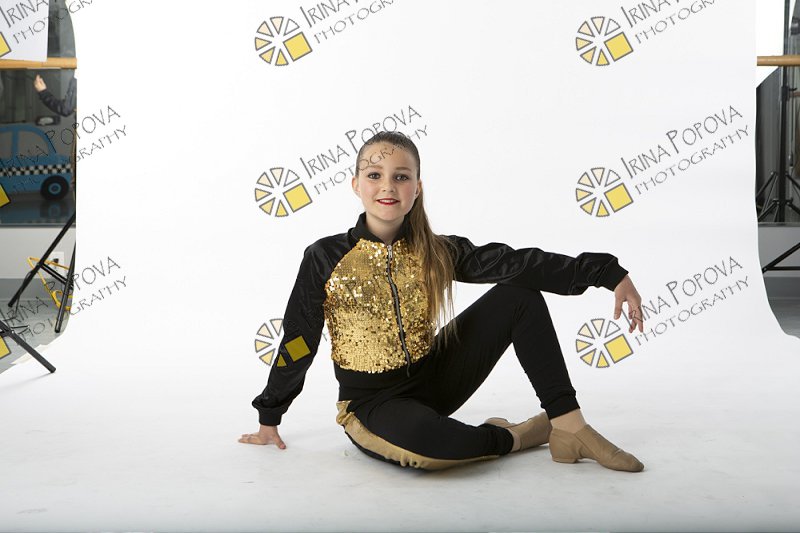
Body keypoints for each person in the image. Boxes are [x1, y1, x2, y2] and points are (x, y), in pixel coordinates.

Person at [240, 131, 646, 472]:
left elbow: (516, 262)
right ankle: (519, 435)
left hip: (435, 378)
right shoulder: (325, 257)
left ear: (417, 188)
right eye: (375, 175)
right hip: (371, 402)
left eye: (401, 177)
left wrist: (606, 273)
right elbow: (299, 339)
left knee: (518, 293)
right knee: (430, 449)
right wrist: (270, 414)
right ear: (356, 185)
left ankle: (569, 426)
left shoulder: (434, 250)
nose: (387, 186)